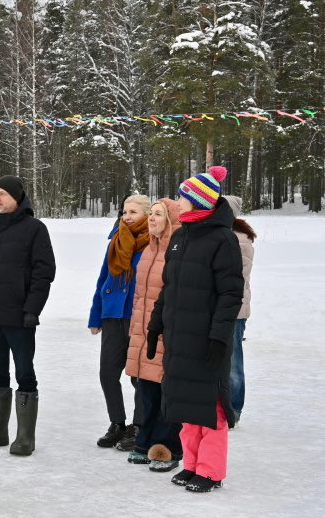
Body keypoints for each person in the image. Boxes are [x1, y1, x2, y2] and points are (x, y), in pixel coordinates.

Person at [147, 166, 244, 493]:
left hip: (206, 340)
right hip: (179, 339)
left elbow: (231, 294)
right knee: (186, 408)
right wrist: (155, 325)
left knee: (210, 410)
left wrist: (219, 335)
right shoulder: (180, 236)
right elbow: (168, 287)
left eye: (182, 197)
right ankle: (191, 465)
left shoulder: (223, 240)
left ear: (197, 201)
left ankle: (211, 471)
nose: (178, 201)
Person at [0, 175, 55, 456]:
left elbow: (43, 273)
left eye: (2, 194)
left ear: (17, 197)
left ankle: (25, 437)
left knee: (25, 373)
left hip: (19, 316)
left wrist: (32, 309)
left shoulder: (34, 229)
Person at [88, 194, 151, 451]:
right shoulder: (116, 239)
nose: (127, 216)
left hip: (140, 318)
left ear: (147, 214)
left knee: (139, 377)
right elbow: (103, 277)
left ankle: (139, 426)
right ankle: (117, 423)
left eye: (133, 212)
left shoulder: (155, 241)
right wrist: (95, 315)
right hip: (113, 314)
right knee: (107, 373)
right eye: (125, 211)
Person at [124, 198, 182, 471]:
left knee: (165, 391)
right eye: (152, 214)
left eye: (159, 215)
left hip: (165, 331)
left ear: (171, 219)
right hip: (144, 330)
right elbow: (139, 295)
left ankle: (166, 447)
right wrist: (136, 325)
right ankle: (145, 442)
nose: (152, 219)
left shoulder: (178, 249)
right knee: (146, 389)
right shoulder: (149, 250)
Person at [223, 195, 255, 429]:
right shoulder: (219, 236)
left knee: (233, 363)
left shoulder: (241, 239)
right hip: (218, 308)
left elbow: (236, 277)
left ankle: (234, 408)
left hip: (235, 310)